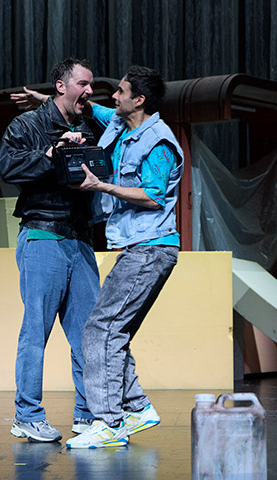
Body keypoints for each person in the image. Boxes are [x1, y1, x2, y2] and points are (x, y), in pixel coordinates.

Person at [65, 66, 184, 449]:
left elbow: (153, 197)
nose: (113, 96)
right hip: (137, 248)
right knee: (114, 332)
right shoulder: (122, 123)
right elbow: (97, 111)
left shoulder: (158, 141)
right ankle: (136, 409)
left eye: (120, 91)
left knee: (99, 330)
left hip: (151, 249)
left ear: (139, 100)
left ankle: (108, 422)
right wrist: (48, 99)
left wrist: (102, 186)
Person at [0, 57, 99, 442]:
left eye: (91, 85)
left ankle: (88, 416)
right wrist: (52, 153)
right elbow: (8, 167)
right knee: (35, 331)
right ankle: (27, 415)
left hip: (80, 237)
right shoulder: (28, 125)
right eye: (83, 84)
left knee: (89, 335)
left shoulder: (86, 127)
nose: (89, 91)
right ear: (61, 85)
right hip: (43, 235)